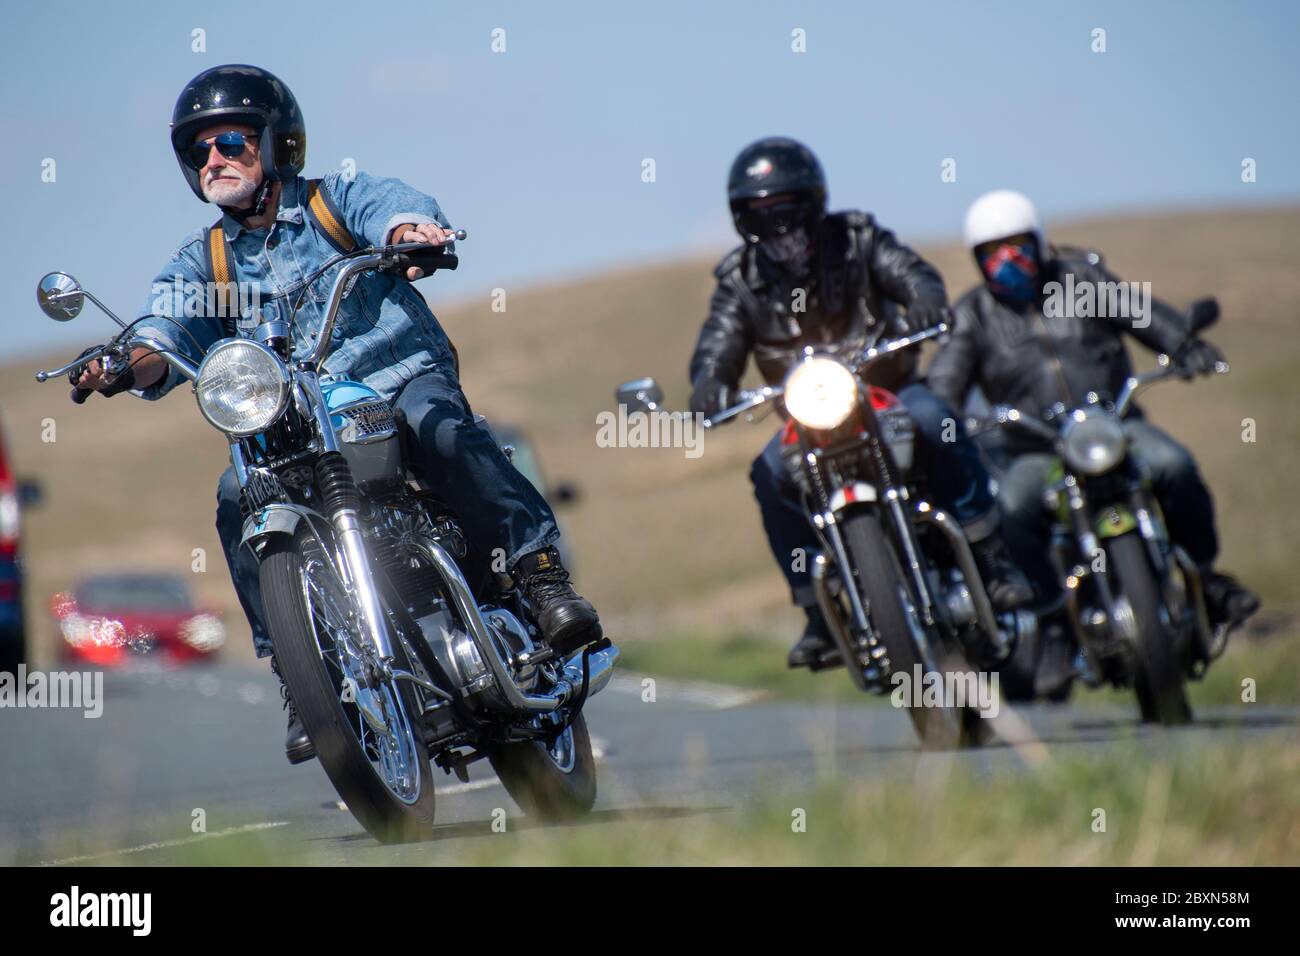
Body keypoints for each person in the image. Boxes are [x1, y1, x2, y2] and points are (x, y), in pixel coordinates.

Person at [70, 64, 603, 762]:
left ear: (276, 142)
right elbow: (164, 329)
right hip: (293, 423)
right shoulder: (203, 263)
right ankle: (302, 676)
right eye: (197, 150)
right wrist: (123, 361)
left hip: (399, 380)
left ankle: (540, 578)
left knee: (441, 428)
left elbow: (392, 205)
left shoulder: (333, 202)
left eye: (230, 140)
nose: (213, 159)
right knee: (236, 495)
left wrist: (413, 232)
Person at [689, 138, 1031, 669]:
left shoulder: (857, 238)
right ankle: (818, 614)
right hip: (809, 418)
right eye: (761, 212)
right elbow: (720, 340)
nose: (777, 223)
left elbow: (912, 274)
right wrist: (709, 382)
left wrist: (924, 304)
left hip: (887, 387)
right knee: (768, 471)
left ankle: (992, 559)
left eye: (786, 206)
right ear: (742, 217)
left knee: (933, 418)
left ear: (813, 200)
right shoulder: (739, 281)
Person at [928, 189, 1260, 671]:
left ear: (1039, 242)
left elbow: (1141, 315)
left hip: (1114, 428)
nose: (1007, 260)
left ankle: (1207, 581)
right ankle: (1052, 618)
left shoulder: (1081, 280)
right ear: (977, 261)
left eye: (1017, 245)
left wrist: (1184, 344)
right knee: (1013, 507)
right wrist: (943, 418)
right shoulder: (973, 315)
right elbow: (946, 384)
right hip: (1037, 449)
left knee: (1174, 465)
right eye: (991, 252)